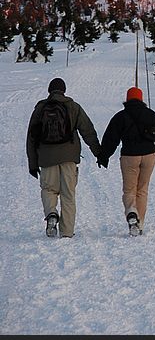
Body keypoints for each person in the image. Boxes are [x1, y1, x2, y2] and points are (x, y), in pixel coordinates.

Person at [26, 77, 102, 238]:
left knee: (48, 189)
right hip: (69, 157)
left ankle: (52, 214)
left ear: (49, 90)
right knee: (68, 194)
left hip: (46, 157)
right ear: (64, 90)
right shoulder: (73, 107)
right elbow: (87, 130)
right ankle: (67, 232)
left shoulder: (40, 109)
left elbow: (31, 137)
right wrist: (99, 153)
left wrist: (33, 163)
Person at [97, 87, 155, 236]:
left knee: (129, 190)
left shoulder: (120, 117)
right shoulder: (152, 116)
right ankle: (140, 224)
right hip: (149, 156)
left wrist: (104, 156)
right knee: (142, 190)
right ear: (141, 99)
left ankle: (131, 212)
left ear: (127, 99)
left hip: (130, 156)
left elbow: (111, 139)